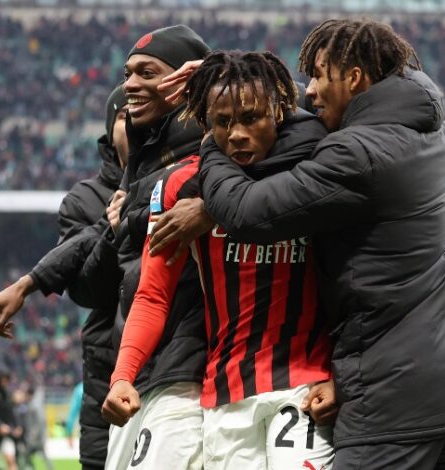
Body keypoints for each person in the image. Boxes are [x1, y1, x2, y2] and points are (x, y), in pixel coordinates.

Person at [197, 19, 445, 469]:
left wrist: (211, 142)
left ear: (354, 78)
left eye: (320, 75)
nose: (310, 92)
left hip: (389, 399)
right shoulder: (425, 129)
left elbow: (249, 212)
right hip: (440, 390)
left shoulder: (359, 152)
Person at [103, 50, 335, 469]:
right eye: (223, 123)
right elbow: (153, 294)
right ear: (206, 125)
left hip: (304, 386)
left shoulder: (315, 169)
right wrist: (123, 374)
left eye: (251, 118)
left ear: (280, 113)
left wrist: (339, 374)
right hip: (226, 394)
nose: (238, 135)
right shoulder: (178, 188)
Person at [0, 85, 128, 469]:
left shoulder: (188, 179)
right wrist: (118, 223)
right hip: (110, 368)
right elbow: (88, 289)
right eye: (124, 115)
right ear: (109, 129)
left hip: (182, 362)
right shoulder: (83, 200)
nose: (135, 121)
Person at [92, 25, 212, 469]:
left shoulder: (212, 160)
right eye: (128, 74)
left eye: (147, 72)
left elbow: (292, 105)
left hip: (187, 371)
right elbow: (143, 286)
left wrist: (215, 74)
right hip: (142, 369)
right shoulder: (146, 162)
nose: (130, 85)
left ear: (185, 80)